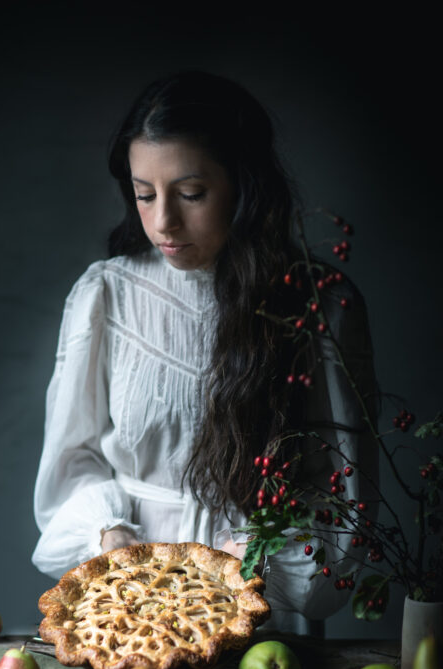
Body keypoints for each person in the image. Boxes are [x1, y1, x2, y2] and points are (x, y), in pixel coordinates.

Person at [32, 71, 378, 633]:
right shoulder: (108, 296)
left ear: (244, 186)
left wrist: (256, 556)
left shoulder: (319, 304)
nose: (163, 221)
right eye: (145, 195)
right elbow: (70, 464)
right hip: (131, 607)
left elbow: (341, 491)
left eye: (191, 194)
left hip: (264, 615)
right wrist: (110, 536)